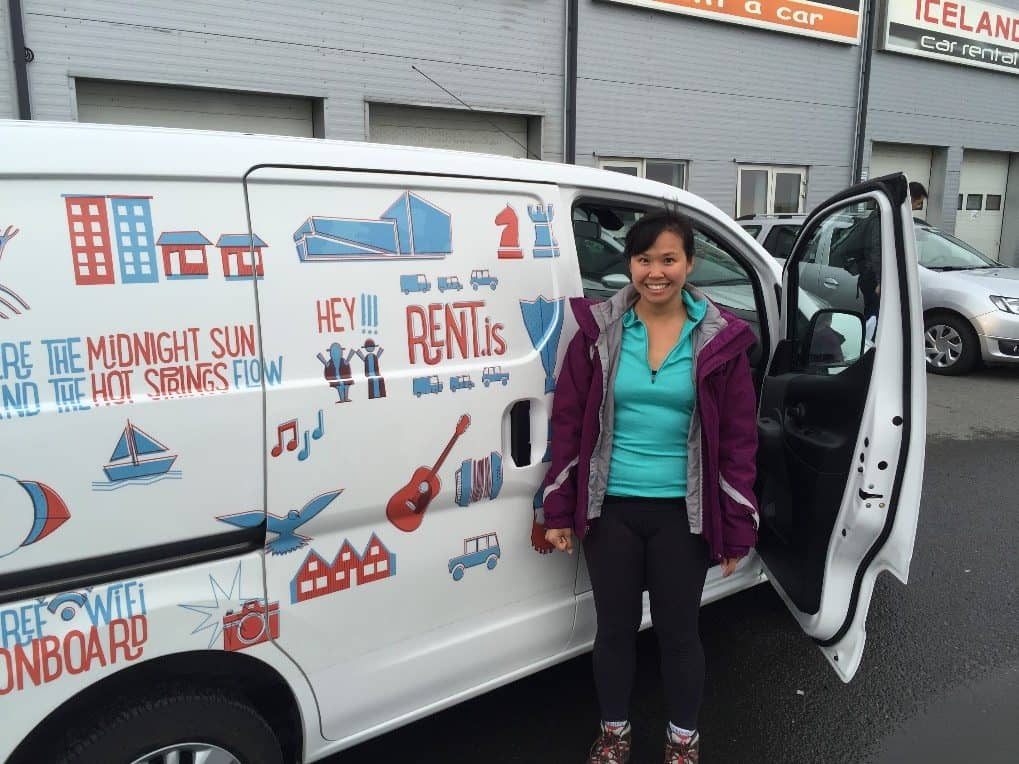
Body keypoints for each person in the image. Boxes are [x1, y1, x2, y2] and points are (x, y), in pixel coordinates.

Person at [541, 211, 760, 764]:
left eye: (668, 259)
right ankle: (614, 732)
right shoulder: (599, 332)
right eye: (644, 259)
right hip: (610, 508)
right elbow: (568, 425)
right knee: (614, 630)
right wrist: (558, 509)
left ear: (690, 264)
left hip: (683, 514)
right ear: (630, 264)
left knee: (679, 632)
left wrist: (738, 525)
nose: (655, 272)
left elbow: (738, 440)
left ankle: (682, 739)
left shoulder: (720, 341)